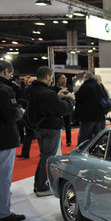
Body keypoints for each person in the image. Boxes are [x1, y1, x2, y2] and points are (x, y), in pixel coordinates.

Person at [24, 66, 74, 196]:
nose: (51, 80)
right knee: (48, 157)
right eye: (51, 77)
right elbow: (63, 109)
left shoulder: (30, 90)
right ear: (47, 77)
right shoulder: (47, 93)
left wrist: (56, 96)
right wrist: (70, 99)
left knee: (44, 156)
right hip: (50, 128)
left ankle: (39, 185)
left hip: (37, 127)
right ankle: (41, 186)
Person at [0, 59, 26, 221]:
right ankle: (4, 213)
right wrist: (19, 112)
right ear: (6, 71)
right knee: (3, 177)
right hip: (3, 138)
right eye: (11, 73)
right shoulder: (4, 89)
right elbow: (9, 115)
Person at [74, 72, 106, 145]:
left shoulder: (85, 86)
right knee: (97, 136)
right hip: (99, 116)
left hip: (87, 116)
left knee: (83, 136)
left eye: (84, 77)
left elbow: (78, 98)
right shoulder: (99, 86)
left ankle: (80, 151)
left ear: (87, 78)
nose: (83, 79)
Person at [51, 74, 72, 146]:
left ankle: (69, 141)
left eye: (65, 78)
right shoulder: (53, 89)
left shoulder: (69, 87)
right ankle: (59, 141)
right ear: (58, 79)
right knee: (59, 124)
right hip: (57, 109)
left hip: (66, 108)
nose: (64, 79)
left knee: (68, 124)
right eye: (62, 78)